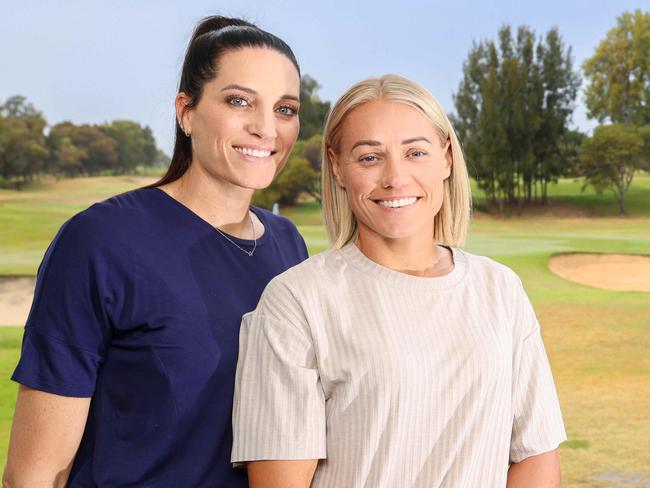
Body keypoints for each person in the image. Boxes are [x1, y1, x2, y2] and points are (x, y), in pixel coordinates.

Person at [3, 16, 307, 487]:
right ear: (186, 111)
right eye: (238, 101)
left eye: (285, 109)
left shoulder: (289, 245)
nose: (265, 128)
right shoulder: (99, 241)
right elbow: (36, 472)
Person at [232, 74, 567, 487]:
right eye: (370, 158)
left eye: (416, 153)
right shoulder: (296, 301)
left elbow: (536, 455)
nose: (395, 177)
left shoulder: (501, 290)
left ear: (446, 158)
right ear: (338, 168)